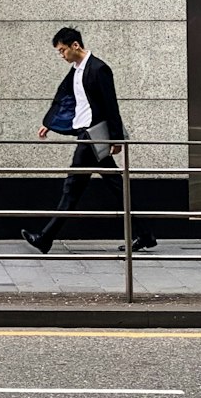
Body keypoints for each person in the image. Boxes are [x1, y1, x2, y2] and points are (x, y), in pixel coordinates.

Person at [21, 26, 157, 254]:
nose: (61, 55)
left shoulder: (99, 69)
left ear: (76, 45)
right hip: (87, 135)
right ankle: (145, 234)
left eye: (63, 50)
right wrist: (49, 121)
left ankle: (45, 238)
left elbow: (111, 106)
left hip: (93, 136)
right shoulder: (75, 71)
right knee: (114, 187)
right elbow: (64, 98)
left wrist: (115, 139)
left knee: (72, 187)